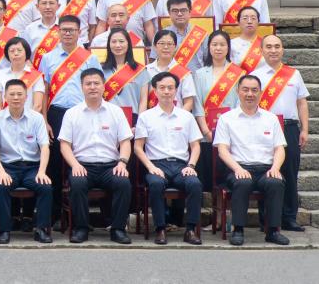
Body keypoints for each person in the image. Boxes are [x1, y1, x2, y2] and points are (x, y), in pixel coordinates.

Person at [58, 69, 134, 244]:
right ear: (82, 87)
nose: (92, 87)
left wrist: (122, 163)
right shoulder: (72, 113)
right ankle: (81, 228)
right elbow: (65, 145)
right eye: (88, 84)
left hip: (110, 166)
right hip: (82, 165)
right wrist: (75, 165)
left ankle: (118, 229)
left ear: (103, 86)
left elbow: (125, 141)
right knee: (77, 183)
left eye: (96, 83)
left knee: (123, 183)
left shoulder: (115, 111)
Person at [213, 75, 290, 246]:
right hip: (238, 167)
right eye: (245, 90)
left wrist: (275, 168)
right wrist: (237, 169)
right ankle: (238, 229)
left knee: (276, 182)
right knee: (243, 182)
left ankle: (273, 231)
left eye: (254, 90)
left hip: (266, 169)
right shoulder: (227, 118)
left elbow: (279, 148)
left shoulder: (271, 118)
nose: (250, 94)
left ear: (260, 93)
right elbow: (222, 150)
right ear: (238, 91)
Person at [40, 14, 103, 221]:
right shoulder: (48, 58)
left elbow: (97, 88)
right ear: (58, 32)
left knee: (79, 160)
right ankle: (54, 214)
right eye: (64, 30)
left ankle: (78, 217)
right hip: (56, 114)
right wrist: (44, 120)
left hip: (82, 114)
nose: (68, 33)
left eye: (72, 30)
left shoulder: (89, 58)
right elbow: (44, 92)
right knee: (54, 163)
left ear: (80, 32)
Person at [134, 72, 204, 245]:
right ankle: (160, 228)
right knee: (156, 184)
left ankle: (190, 230)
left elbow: (195, 146)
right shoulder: (146, 117)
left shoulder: (186, 117)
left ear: (176, 90)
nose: (166, 91)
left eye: (170, 88)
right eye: (162, 88)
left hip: (181, 166)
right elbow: (138, 147)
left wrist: (191, 166)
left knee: (195, 184)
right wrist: (151, 167)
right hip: (156, 165)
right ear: (155, 90)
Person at [253, 34, 310, 232]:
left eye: (277, 46)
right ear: (261, 50)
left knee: (290, 172)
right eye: (268, 46)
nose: (273, 50)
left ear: (282, 49)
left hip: (290, 127)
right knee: (266, 171)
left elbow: (302, 102)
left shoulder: (294, 74)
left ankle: (289, 217)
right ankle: (267, 218)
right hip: (265, 128)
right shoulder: (255, 75)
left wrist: (305, 129)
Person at [0, 78, 53, 244]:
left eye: (19, 94)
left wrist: (42, 172)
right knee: (2, 187)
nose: (16, 97)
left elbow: (44, 146)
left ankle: (41, 229)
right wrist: (1, 172)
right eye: (12, 94)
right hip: (8, 167)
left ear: (26, 97)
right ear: (5, 97)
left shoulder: (36, 118)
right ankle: (4, 229)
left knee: (45, 187)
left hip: (32, 168)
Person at [191, 30, 244, 192]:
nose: (218, 48)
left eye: (222, 44)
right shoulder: (200, 74)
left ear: (228, 48)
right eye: (214, 44)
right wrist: (206, 131)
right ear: (209, 47)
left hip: (230, 131)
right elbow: (197, 104)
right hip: (206, 131)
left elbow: (239, 103)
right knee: (207, 175)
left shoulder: (238, 73)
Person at [139, 30, 197, 113]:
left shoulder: (184, 73)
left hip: (177, 118)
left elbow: (189, 102)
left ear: (175, 47)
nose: (166, 47)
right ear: (154, 46)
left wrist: (179, 118)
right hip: (152, 118)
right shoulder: (146, 70)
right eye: (162, 43)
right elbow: (142, 100)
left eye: (169, 44)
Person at [100, 29, 147, 122]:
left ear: (128, 44)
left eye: (121, 41)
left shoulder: (140, 70)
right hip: (107, 118)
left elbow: (143, 100)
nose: (118, 45)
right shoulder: (101, 70)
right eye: (114, 42)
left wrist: (139, 123)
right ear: (109, 45)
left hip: (133, 119)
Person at [0, 37, 46, 115]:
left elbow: (37, 105)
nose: (16, 53)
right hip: (4, 120)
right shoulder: (0, 75)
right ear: (7, 54)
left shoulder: (36, 76)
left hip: (29, 119)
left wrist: (27, 120)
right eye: (12, 51)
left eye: (19, 50)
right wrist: (2, 120)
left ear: (26, 53)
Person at [156, 0, 209, 71]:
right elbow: (154, 61)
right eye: (175, 11)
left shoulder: (201, 35)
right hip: (169, 77)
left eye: (183, 10)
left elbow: (209, 61)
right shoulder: (161, 35)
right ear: (169, 13)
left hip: (196, 77)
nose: (179, 14)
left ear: (190, 12)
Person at [22, 0, 61, 69]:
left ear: (58, 6)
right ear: (37, 6)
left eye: (51, 3)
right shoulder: (29, 29)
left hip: (60, 73)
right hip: (36, 72)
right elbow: (24, 54)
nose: (47, 7)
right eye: (44, 3)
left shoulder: (64, 27)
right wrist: (33, 71)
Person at [230, 5, 264, 72]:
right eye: (245, 18)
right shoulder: (231, 44)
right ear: (238, 22)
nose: (249, 21)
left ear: (258, 22)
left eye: (253, 18)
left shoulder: (265, 43)